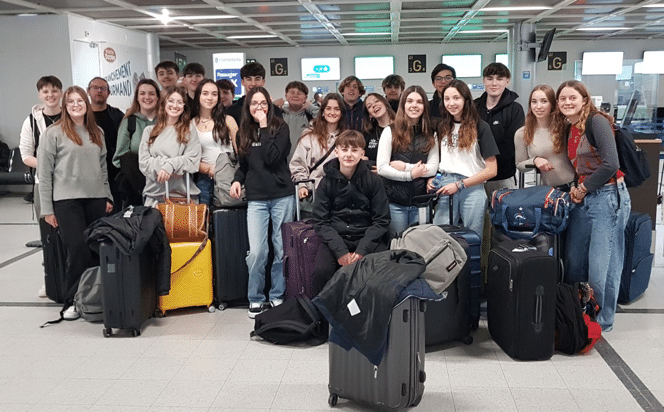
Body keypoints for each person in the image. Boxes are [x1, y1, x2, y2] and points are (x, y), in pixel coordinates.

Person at [555, 80, 631, 332]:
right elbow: (581, 164)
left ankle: (602, 321)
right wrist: (579, 189)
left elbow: (610, 163)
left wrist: (584, 188)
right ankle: (579, 313)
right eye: (562, 98)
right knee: (576, 260)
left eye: (572, 98)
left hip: (608, 196)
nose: (567, 102)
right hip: (585, 197)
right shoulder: (571, 126)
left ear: (584, 99)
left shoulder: (596, 121)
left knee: (603, 264)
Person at [38, 86, 113, 319]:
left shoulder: (96, 131)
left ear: (87, 103)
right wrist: (47, 209)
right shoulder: (53, 133)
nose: (76, 105)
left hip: (95, 199)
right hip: (66, 200)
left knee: (94, 249)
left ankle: (94, 297)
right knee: (77, 249)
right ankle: (71, 301)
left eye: (80, 101)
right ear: (64, 106)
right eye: (71, 102)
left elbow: (103, 168)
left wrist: (107, 195)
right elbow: (45, 174)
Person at [229, 87, 294, 318]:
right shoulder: (243, 132)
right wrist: (237, 180)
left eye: (263, 103)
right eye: (254, 104)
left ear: (269, 105)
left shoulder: (281, 127)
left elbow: (272, 157)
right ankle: (255, 297)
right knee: (257, 251)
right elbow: (244, 165)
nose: (259, 108)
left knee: (281, 249)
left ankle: (277, 294)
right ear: (248, 107)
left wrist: (265, 125)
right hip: (256, 198)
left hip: (282, 195)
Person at [311, 130, 390, 292]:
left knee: (382, 271)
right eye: (344, 149)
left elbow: (381, 220)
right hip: (336, 238)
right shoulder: (326, 183)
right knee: (320, 271)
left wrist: (362, 251)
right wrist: (340, 251)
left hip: (366, 237)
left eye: (354, 150)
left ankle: (370, 314)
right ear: (336, 152)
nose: (349, 154)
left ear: (362, 153)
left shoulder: (374, 181)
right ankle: (324, 314)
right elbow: (320, 221)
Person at [430, 80, 499, 239]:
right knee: (439, 237)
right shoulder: (442, 127)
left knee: (472, 238)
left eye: (456, 98)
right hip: (446, 185)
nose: (451, 103)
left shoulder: (480, 127)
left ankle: (472, 265)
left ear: (466, 100)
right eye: (447, 99)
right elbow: (444, 164)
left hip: (472, 187)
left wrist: (460, 185)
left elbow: (491, 170)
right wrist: (436, 179)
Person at [20, 75, 63, 298]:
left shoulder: (71, 116)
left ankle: (71, 277)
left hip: (70, 184)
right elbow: (26, 155)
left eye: (54, 91)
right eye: (46, 92)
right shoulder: (31, 121)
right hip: (43, 184)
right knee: (48, 232)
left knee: (69, 231)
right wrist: (47, 166)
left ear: (61, 93)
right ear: (40, 95)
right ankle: (50, 279)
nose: (50, 95)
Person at [376, 85, 438, 236]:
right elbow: (382, 168)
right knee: (397, 249)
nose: (414, 105)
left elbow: (433, 168)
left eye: (419, 102)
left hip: (421, 203)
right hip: (394, 203)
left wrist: (404, 167)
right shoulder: (390, 131)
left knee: (420, 249)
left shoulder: (431, 133)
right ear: (403, 104)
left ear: (425, 106)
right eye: (410, 101)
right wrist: (410, 175)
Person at [138, 86, 201, 207]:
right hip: (154, 196)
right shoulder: (149, 131)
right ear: (163, 104)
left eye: (179, 102)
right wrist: (165, 168)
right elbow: (144, 163)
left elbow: (192, 161)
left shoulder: (189, 130)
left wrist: (171, 166)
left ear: (184, 107)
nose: (175, 105)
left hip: (182, 197)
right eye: (171, 101)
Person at [474, 63, 525, 194]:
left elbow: (511, 144)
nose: (494, 83)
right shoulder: (473, 107)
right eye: (490, 78)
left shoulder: (515, 109)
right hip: (475, 176)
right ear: (484, 81)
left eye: (499, 79)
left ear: (507, 81)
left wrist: (490, 167)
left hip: (502, 177)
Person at [289, 93, 347, 204]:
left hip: (340, 194)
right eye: (328, 108)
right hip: (313, 194)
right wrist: (302, 185)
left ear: (341, 113)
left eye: (336, 109)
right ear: (323, 112)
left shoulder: (347, 137)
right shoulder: (309, 136)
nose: (332, 113)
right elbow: (298, 164)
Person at [514, 85, 575, 189]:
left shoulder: (565, 127)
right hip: (546, 190)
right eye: (534, 102)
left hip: (573, 186)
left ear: (552, 104)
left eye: (544, 101)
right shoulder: (522, 133)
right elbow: (519, 165)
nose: (538, 106)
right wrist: (534, 160)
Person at [113, 79, 160, 207]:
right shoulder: (129, 122)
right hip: (135, 189)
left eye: (151, 93)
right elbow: (120, 156)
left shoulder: (165, 122)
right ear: (137, 97)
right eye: (142, 93)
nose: (147, 97)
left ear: (157, 97)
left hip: (162, 184)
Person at [191, 79, 238, 206]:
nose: (210, 98)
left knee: (229, 220)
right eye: (205, 93)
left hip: (229, 177)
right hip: (204, 179)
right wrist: (207, 168)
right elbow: (188, 158)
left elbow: (240, 152)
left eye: (214, 94)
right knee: (203, 220)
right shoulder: (191, 124)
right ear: (198, 96)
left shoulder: (228, 120)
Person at [87, 77, 124, 214]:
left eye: (103, 88)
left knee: (115, 214)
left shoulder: (118, 115)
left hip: (114, 174)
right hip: (90, 174)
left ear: (108, 93)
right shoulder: (82, 116)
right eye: (95, 87)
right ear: (88, 92)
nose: (99, 91)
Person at [273, 81, 320, 159]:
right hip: (281, 164)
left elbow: (324, 119)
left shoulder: (310, 116)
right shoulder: (279, 115)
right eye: (292, 92)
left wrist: (311, 108)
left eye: (299, 93)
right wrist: (273, 106)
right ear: (286, 96)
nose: (295, 95)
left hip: (305, 163)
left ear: (305, 98)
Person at [361, 93, 395, 165]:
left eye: (376, 101)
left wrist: (384, 169)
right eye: (369, 106)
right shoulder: (368, 133)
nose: (374, 105)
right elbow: (364, 158)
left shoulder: (402, 127)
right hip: (374, 174)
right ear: (370, 114)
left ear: (385, 103)